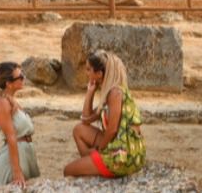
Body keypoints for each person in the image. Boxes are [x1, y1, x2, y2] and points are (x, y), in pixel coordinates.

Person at [63, 50, 146, 179]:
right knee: (78, 129)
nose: (86, 73)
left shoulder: (114, 93)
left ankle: (94, 160)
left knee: (68, 171)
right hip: (117, 143)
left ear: (99, 73)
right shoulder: (110, 92)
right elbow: (85, 120)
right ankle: (91, 161)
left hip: (122, 154)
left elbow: (112, 130)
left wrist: (100, 149)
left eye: (89, 70)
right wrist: (90, 93)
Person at [0, 61, 40, 189]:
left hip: (25, 154)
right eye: (20, 77)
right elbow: (11, 137)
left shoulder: (11, 101)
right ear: (8, 83)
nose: (24, 79)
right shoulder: (2, 103)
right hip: (11, 161)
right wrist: (17, 172)